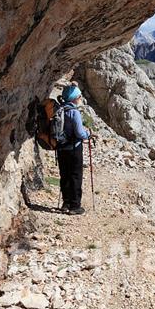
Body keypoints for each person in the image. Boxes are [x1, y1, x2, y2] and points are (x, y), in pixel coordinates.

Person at [57, 84, 92, 215]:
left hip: (60, 148)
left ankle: (65, 203)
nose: (80, 98)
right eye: (79, 96)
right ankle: (75, 206)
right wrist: (88, 134)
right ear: (74, 98)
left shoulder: (59, 109)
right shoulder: (74, 112)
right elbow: (79, 133)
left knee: (64, 175)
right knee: (75, 176)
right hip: (74, 148)